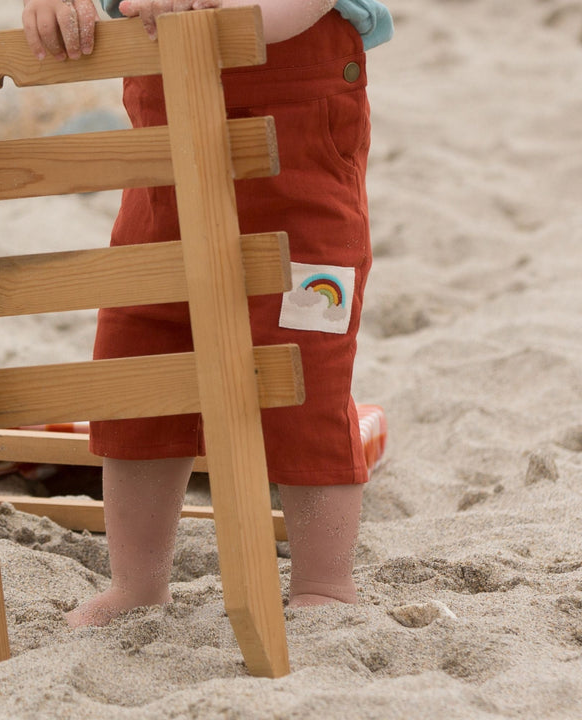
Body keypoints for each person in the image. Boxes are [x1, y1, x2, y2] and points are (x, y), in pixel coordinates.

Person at [21, 0, 392, 627]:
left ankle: (324, 582)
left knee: (307, 373)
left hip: (297, 170)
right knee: (138, 364)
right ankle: (138, 583)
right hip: (164, 173)